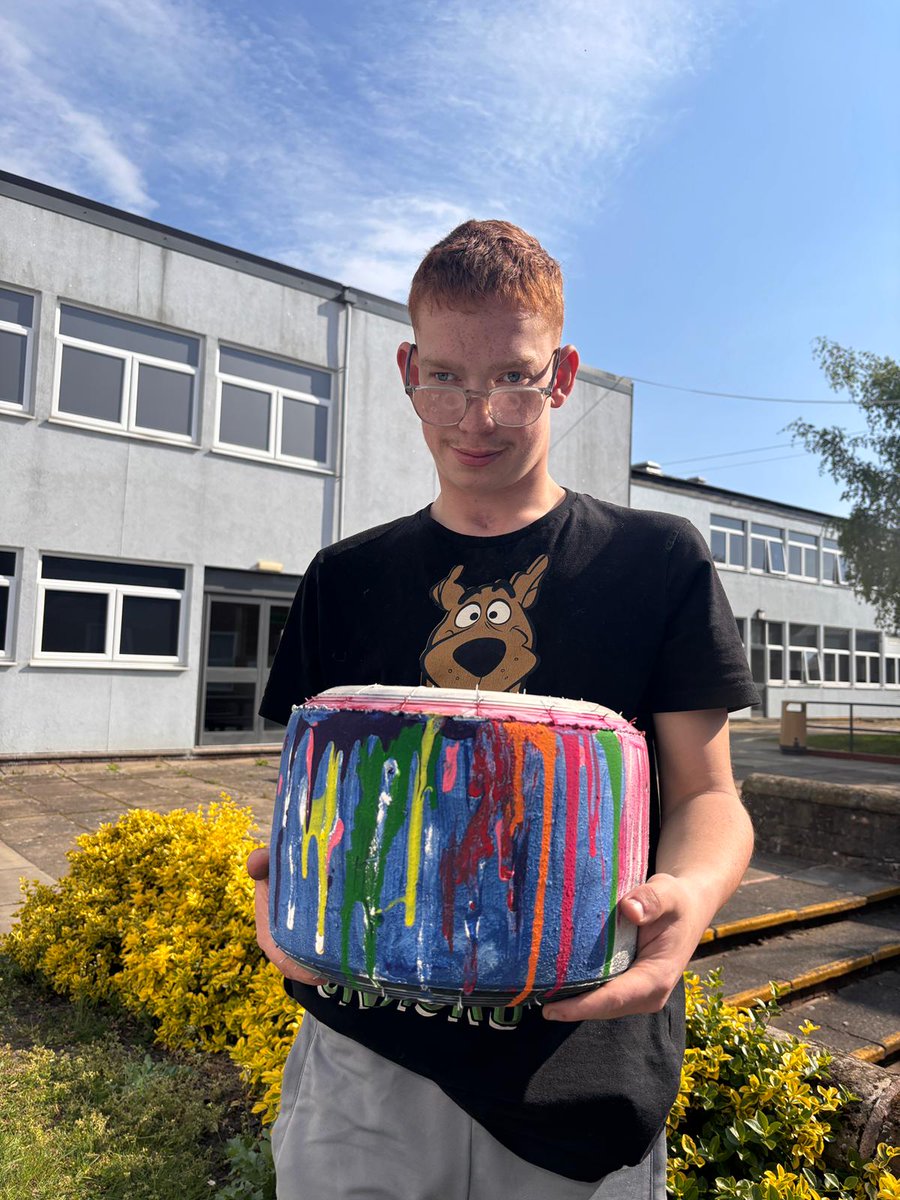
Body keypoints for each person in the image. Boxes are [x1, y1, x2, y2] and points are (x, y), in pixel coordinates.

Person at [248, 220, 758, 1200]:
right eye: (445, 375)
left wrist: (687, 903)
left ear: (561, 374)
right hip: (366, 1072)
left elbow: (709, 796)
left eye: (514, 377)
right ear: (407, 367)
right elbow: (302, 793)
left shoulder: (657, 562)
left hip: (583, 1077)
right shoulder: (343, 578)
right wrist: (280, 883)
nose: (477, 413)